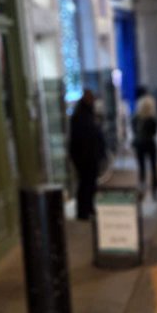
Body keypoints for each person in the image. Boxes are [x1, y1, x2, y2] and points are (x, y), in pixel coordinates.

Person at [68, 89, 107, 221]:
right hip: (84, 157)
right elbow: (80, 139)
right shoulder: (80, 116)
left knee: (90, 184)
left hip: (89, 155)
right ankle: (83, 211)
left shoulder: (87, 114)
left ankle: (88, 208)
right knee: (85, 184)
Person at [131, 93, 157, 200]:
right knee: (153, 168)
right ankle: (154, 192)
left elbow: (133, 130)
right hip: (150, 144)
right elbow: (154, 132)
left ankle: (142, 188)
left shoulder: (135, 118)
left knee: (142, 168)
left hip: (139, 145)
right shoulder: (152, 119)